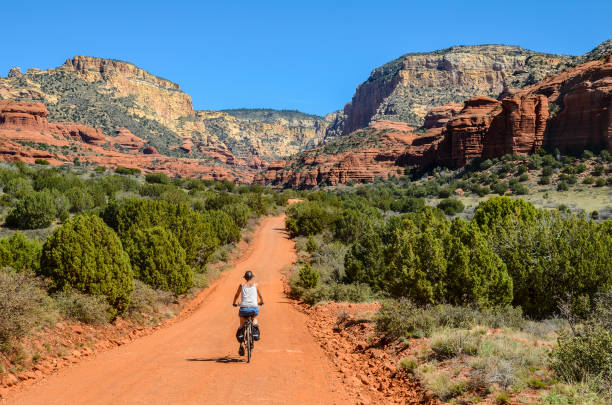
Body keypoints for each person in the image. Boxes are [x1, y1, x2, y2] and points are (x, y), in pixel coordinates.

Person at [232, 270, 264, 356]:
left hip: (244, 309)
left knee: (242, 325)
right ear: (252, 277)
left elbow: (236, 295)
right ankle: (254, 330)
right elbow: (260, 296)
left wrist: (234, 303)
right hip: (254, 308)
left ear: (245, 278)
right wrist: (261, 302)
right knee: (255, 318)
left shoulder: (241, 285)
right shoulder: (256, 285)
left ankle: (241, 345)